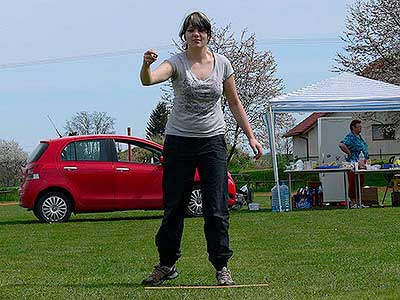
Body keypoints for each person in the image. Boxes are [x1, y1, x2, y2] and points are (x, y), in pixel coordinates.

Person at [140, 11, 262, 286]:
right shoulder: (176, 63)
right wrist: (146, 65)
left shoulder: (222, 64)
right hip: (179, 141)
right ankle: (166, 264)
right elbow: (148, 80)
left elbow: (234, 103)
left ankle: (221, 266)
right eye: (191, 30)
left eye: (202, 30)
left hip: (212, 141)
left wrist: (251, 137)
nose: (197, 34)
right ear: (184, 35)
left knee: (216, 208)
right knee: (174, 206)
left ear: (208, 34)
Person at [339, 119, 369, 208]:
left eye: (361, 127)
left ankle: (359, 201)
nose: (360, 128)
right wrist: (349, 153)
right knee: (353, 182)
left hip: (362, 163)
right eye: (359, 127)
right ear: (353, 127)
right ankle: (352, 202)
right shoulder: (350, 137)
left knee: (361, 181)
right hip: (353, 163)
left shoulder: (359, 136)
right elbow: (341, 144)